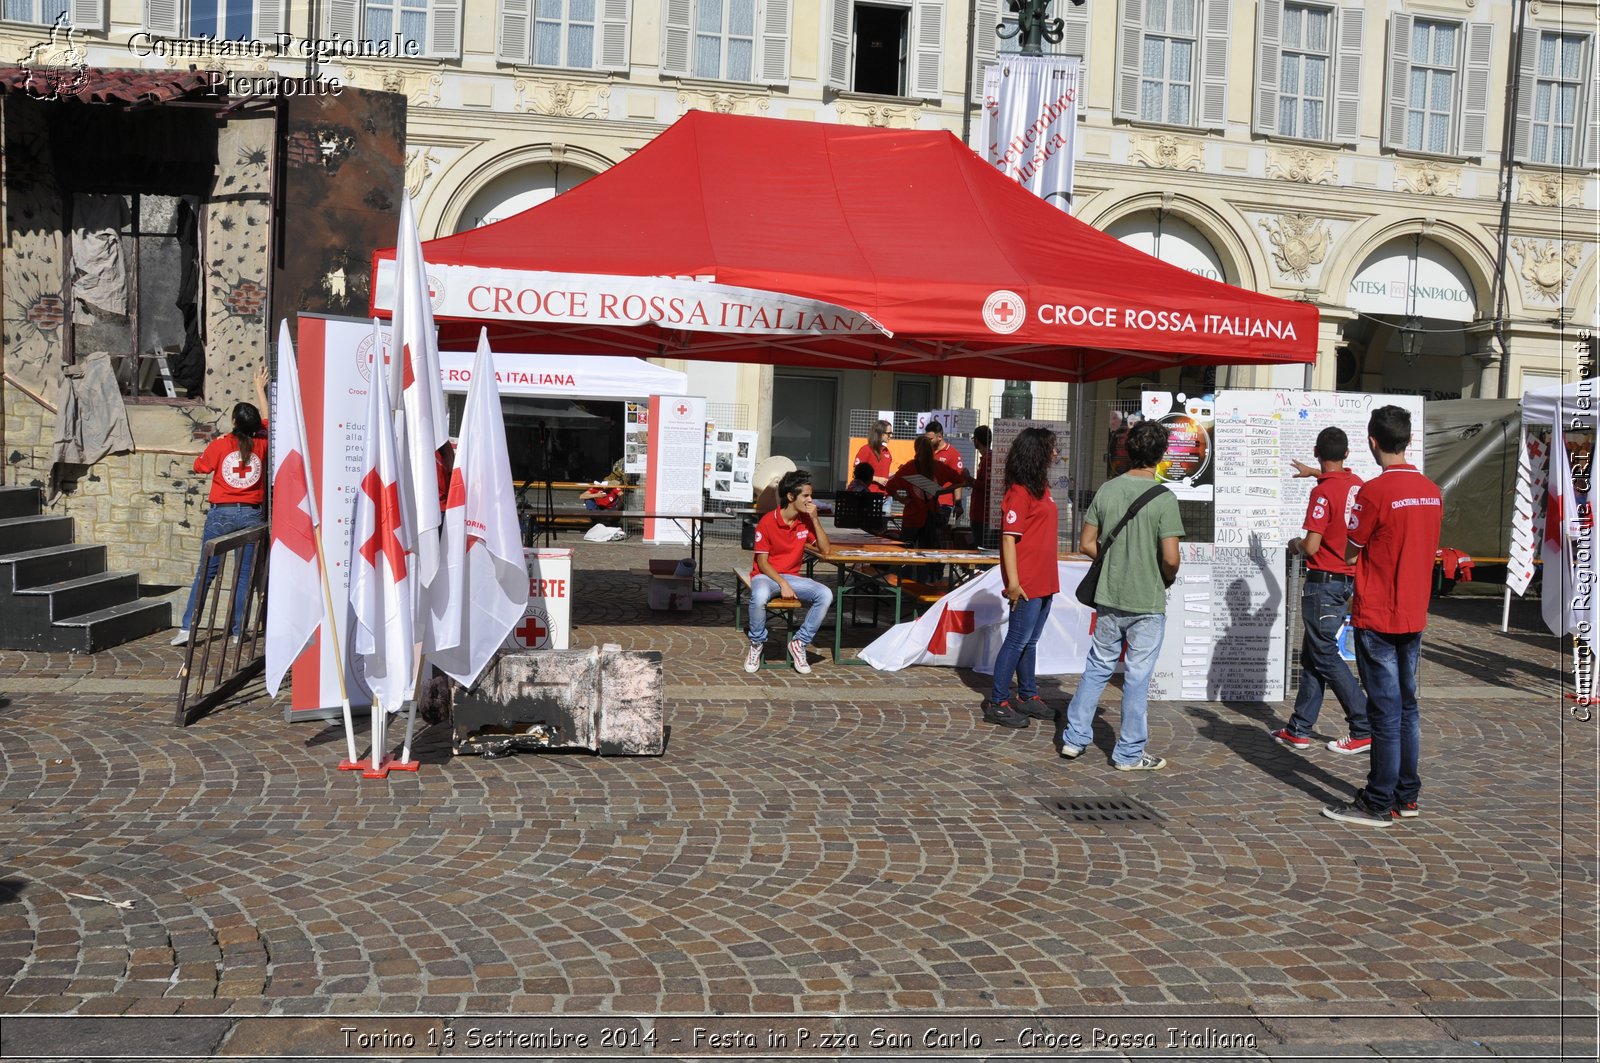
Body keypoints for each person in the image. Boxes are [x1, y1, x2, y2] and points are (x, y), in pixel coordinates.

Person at [1322, 406, 1442, 828]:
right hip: (1413, 611)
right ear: (1405, 440)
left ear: (1373, 442)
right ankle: (1407, 795)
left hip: (1377, 611)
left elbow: (1352, 548)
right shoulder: (1431, 490)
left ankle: (1378, 801)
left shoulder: (1373, 492)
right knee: (1407, 708)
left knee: (1385, 712)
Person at [1059, 420, 1183, 771]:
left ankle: (1074, 739)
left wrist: (1114, 558)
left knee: (1097, 667)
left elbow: (1086, 543)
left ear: (1128, 451)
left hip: (1110, 594)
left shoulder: (1108, 490)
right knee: (1137, 677)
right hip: (1146, 598)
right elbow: (1171, 558)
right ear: (1160, 456)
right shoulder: (1164, 498)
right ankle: (1128, 753)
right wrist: (1162, 576)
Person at [1271, 427, 1370, 754]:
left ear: (1316, 451)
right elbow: (1339, 483)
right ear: (1347, 454)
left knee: (1324, 655)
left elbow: (1312, 546)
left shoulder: (1322, 494)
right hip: (1347, 581)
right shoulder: (1357, 485)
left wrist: (1294, 544)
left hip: (1323, 582)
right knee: (1314, 655)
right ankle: (1299, 727)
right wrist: (1316, 473)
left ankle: (1363, 724)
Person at [172, 366, 270, 646]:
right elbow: (268, 420)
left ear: (235, 423)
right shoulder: (263, 443)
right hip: (251, 514)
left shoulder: (220, 445)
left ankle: (188, 628)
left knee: (207, 571)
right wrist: (260, 389)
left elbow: (199, 466)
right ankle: (239, 631)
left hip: (221, 514)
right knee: (243, 577)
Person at [983, 427, 1061, 729]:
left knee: (1031, 641)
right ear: (1036, 452)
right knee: (1017, 640)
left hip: (1045, 579)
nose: (1055, 453)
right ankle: (998, 701)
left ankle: (1028, 695)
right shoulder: (1019, 491)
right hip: (1027, 582)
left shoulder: (1040, 486)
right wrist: (1013, 583)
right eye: (1051, 448)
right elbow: (1008, 540)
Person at [744, 469, 834, 675]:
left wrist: (816, 519)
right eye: (806, 495)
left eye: (811, 495)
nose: (811, 500)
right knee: (758, 597)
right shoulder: (767, 521)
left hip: (792, 577)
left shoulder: (806, 520)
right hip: (765, 576)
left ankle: (800, 643)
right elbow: (763, 563)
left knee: (826, 594)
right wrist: (782, 583)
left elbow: (826, 550)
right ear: (791, 496)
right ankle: (757, 644)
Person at [885, 435, 965, 551]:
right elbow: (959, 481)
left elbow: (890, 487)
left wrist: (901, 499)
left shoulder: (909, 468)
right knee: (929, 553)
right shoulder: (939, 467)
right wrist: (941, 491)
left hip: (912, 515)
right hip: (932, 516)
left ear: (916, 449)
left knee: (905, 551)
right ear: (931, 449)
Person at [924, 420, 965, 532]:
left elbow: (958, 481)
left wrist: (958, 503)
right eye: (926, 438)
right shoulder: (926, 451)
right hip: (926, 502)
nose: (927, 441)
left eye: (930, 439)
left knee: (937, 534)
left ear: (940, 437)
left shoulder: (952, 454)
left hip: (943, 504)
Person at [854, 419, 894, 494]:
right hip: (870, 495)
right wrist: (878, 479)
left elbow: (883, 473)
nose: (891, 436)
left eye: (892, 433)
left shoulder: (886, 451)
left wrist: (896, 474)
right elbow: (856, 474)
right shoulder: (866, 450)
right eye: (889, 433)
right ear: (880, 433)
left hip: (886, 496)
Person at [969, 425, 993, 548]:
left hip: (982, 514)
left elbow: (988, 486)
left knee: (982, 549)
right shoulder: (986, 458)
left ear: (977, 440)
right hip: (981, 514)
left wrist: (969, 480)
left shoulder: (988, 459)